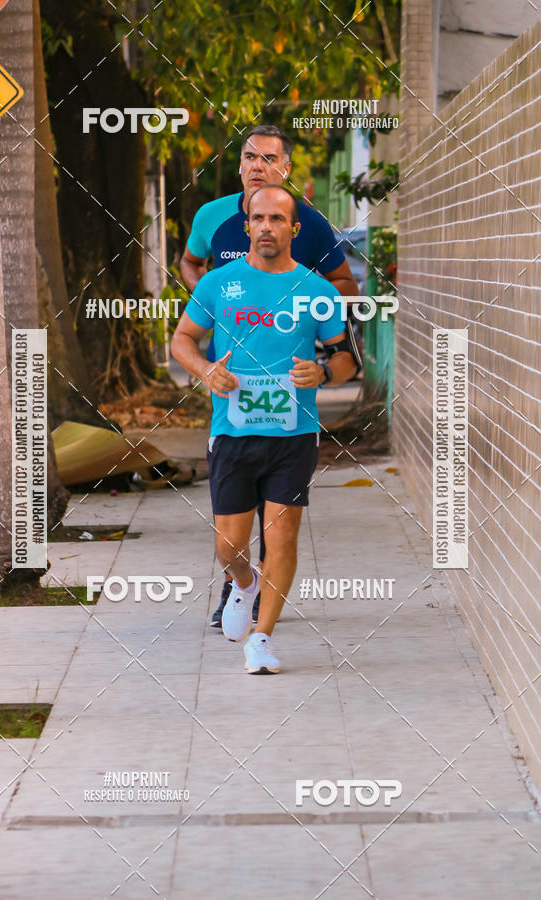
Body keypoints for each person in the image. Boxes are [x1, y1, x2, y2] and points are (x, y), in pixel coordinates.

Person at [171, 185, 359, 673]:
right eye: (259, 218)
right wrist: (206, 371)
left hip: (294, 431)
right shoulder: (217, 283)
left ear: (294, 229)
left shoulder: (317, 292)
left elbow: (346, 359)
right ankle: (245, 582)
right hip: (232, 430)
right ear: (248, 225)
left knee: (283, 538)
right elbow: (184, 341)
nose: (267, 227)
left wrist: (324, 372)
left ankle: (262, 637)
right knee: (228, 546)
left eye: (278, 219)